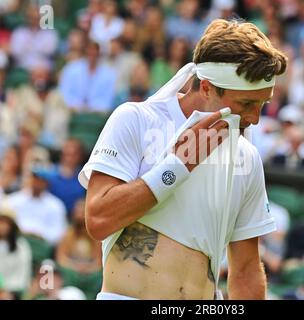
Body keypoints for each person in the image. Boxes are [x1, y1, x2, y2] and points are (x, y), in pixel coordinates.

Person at [79, 19, 287, 300]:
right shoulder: (135, 120)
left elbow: (246, 268)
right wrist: (177, 166)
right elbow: (98, 219)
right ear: (206, 88)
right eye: (246, 104)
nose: (254, 119)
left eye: (262, 104)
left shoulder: (247, 157)